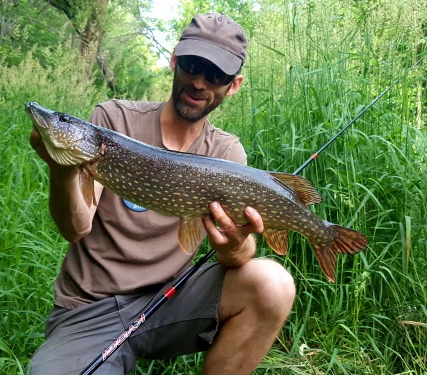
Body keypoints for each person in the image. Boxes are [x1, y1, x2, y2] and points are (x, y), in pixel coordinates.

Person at [28, 13, 295, 375]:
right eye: (192, 65)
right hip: (89, 308)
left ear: (233, 85)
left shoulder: (227, 153)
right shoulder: (113, 120)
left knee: (273, 283)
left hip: (170, 300)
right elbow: (75, 228)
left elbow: (241, 255)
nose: (199, 82)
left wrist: (234, 245)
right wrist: (62, 170)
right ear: (174, 61)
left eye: (215, 75)